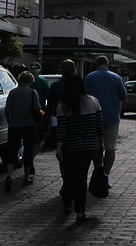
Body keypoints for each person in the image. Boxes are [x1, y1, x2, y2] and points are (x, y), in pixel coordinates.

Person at [55, 73, 104, 224]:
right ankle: (80, 211)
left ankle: (68, 202)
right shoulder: (93, 102)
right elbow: (99, 126)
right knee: (81, 177)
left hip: (70, 146)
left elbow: (61, 129)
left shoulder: (63, 105)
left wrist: (59, 148)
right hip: (88, 146)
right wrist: (100, 144)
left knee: (69, 176)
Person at [84, 55, 127, 187]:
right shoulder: (116, 78)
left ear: (95, 64)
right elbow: (123, 97)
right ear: (107, 64)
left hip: (92, 118)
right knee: (110, 147)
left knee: (95, 146)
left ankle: (98, 169)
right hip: (112, 117)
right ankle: (105, 175)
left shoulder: (88, 78)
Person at [3, 70, 43, 190]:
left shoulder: (13, 92)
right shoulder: (32, 93)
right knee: (28, 150)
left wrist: (9, 121)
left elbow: (7, 109)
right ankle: (26, 177)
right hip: (29, 125)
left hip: (14, 125)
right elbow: (37, 108)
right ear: (31, 81)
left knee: (12, 150)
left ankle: (9, 175)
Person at [28, 62, 50, 160]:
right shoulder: (43, 81)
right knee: (39, 137)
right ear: (39, 70)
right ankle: (31, 157)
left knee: (27, 137)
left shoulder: (22, 81)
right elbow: (47, 96)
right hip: (39, 113)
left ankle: (27, 156)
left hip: (25, 112)